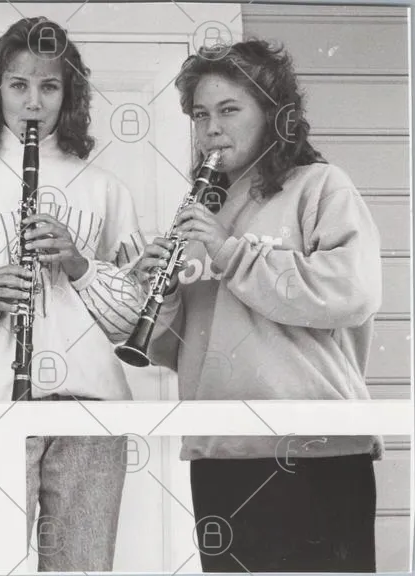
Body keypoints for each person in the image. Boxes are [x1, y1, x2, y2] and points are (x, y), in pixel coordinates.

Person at [134, 39, 382, 572]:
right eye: (200, 115)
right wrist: (164, 298)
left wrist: (229, 253)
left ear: (274, 116)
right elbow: (183, 353)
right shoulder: (202, 209)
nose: (211, 129)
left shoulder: (321, 187)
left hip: (318, 452)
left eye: (229, 110)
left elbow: (352, 292)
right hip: (222, 454)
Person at [0, 17, 145, 572]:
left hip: (90, 414)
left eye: (50, 86)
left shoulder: (104, 187)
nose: (33, 102)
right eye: (18, 85)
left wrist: (80, 266)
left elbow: (135, 321)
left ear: (70, 95)